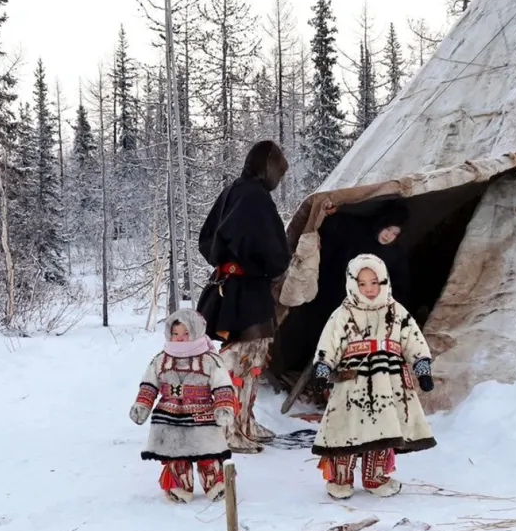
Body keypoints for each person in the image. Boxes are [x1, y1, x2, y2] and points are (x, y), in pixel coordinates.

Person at [310, 253, 436, 499]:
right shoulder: (343, 313)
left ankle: (375, 478)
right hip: (352, 382)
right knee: (346, 428)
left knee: (384, 429)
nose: (368, 289)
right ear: (352, 284)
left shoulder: (396, 311)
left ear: (384, 282)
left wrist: (422, 368)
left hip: (390, 383)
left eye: (374, 282)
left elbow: (413, 340)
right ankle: (340, 479)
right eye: (362, 283)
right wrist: (322, 369)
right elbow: (330, 343)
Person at [196, 140, 292, 453]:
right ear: (268, 167)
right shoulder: (255, 197)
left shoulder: (233, 191)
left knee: (252, 358)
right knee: (240, 360)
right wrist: (268, 266)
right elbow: (273, 249)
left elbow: (206, 238)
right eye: (278, 171)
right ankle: (228, 429)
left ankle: (244, 422)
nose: (278, 179)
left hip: (234, 285)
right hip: (246, 289)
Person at [129, 310, 237, 503]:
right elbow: (149, 384)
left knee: (208, 452)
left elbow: (222, 384)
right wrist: (142, 404)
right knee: (175, 453)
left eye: (185, 333)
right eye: (175, 333)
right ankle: (179, 486)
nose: (180, 338)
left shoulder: (209, 359)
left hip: (202, 412)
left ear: (196, 332)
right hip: (169, 413)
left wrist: (223, 406)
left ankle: (215, 484)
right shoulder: (161, 360)